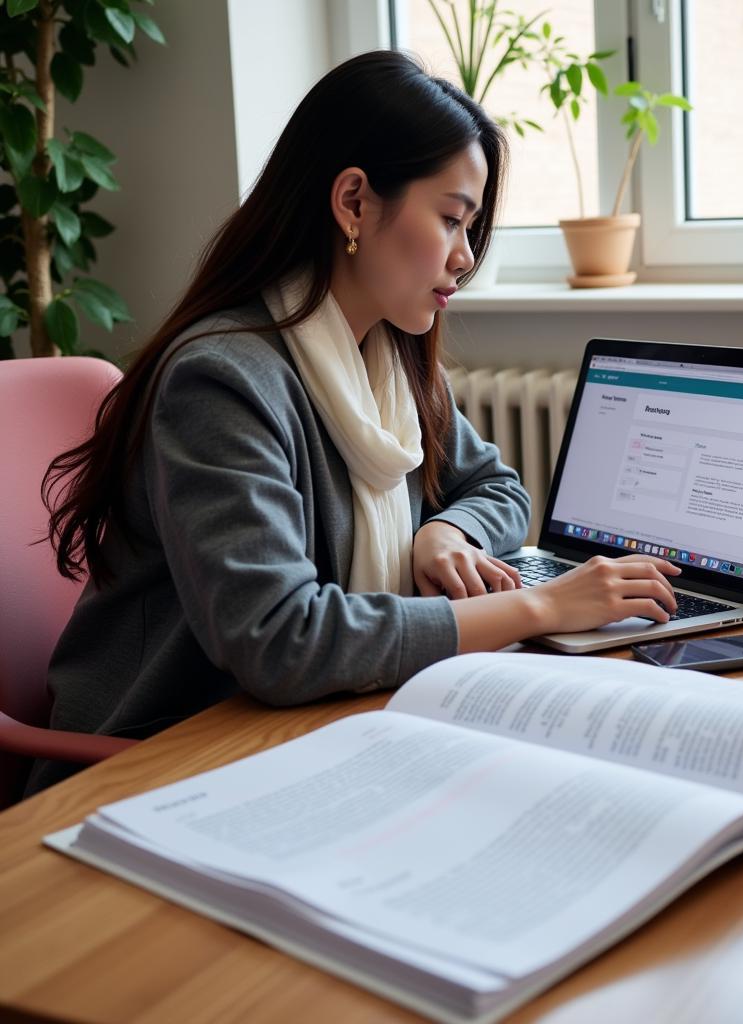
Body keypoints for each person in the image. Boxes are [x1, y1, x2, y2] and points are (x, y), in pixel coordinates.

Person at [27, 51, 680, 795]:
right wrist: (537, 605)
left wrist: (448, 530)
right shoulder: (221, 382)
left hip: (314, 730)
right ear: (354, 203)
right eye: (451, 219)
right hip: (167, 762)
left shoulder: (385, 361)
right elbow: (280, 639)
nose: (464, 258)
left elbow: (496, 486)